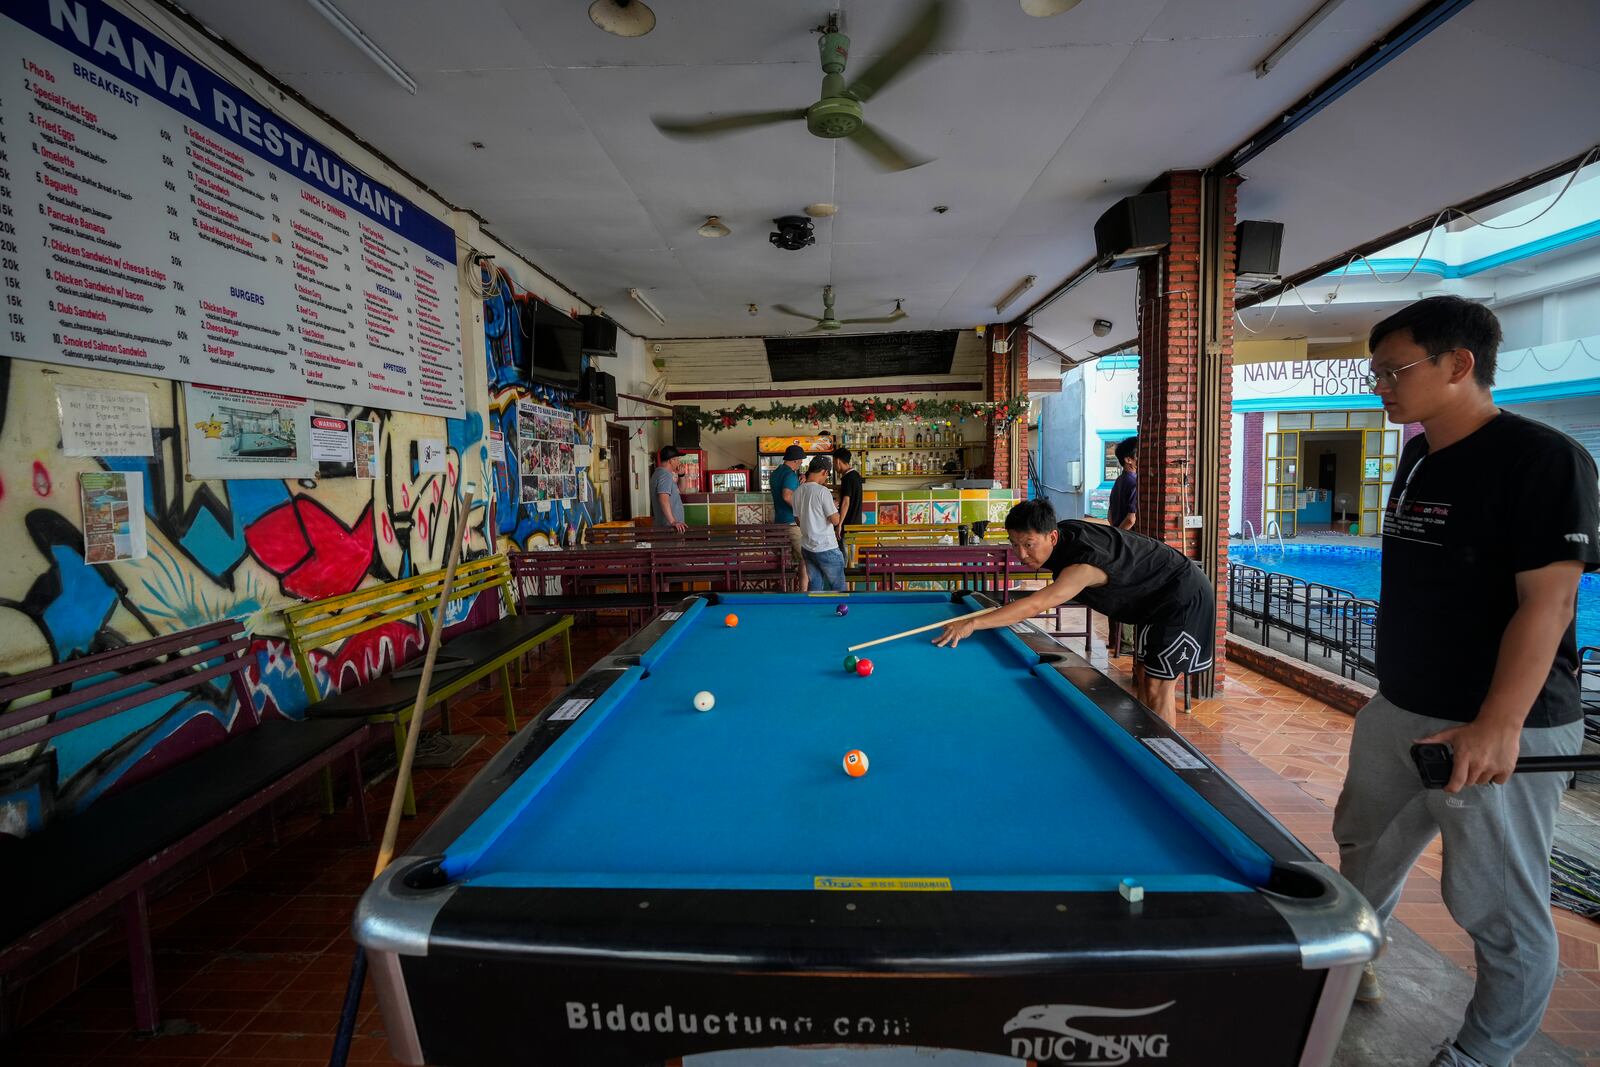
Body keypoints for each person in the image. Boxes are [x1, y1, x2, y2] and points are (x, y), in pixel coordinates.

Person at [1331, 296, 1598, 1067]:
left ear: (1459, 364)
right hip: (1401, 706)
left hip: (1492, 724)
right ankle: (1351, 963)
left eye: (1394, 369)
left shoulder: (1543, 458)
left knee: (1495, 904)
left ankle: (1483, 1052)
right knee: (1364, 852)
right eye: (1375, 370)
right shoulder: (1420, 454)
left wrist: (1497, 725)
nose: (1380, 383)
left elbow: (1548, 603)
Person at [934, 499, 1212, 718]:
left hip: (1181, 597)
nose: (1021, 554)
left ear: (1052, 537)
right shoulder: (1065, 533)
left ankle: (1165, 765)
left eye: (1029, 545)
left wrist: (972, 623)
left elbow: (1037, 603)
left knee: (1157, 687)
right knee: (1142, 679)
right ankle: (1146, 746)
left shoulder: (1083, 565)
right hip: (1153, 602)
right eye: (1015, 544)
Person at [794, 455, 846, 590]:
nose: (825, 479)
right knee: (839, 588)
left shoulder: (798, 491)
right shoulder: (823, 492)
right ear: (824, 472)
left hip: (807, 548)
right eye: (826, 475)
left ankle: (813, 611)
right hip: (826, 547)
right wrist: (833, 508)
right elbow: (835, 520)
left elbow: (798, 521)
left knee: (815, 587)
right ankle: (842, 610)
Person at [771, 444, 807, 591]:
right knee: (806, 558)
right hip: (791, 524)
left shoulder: (776, 473)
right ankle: (803, 593)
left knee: (788, 562)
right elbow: (787, 496)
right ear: (796, 460)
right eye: (801, 461)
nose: (802, 463)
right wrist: (801, 510)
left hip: (778, 523)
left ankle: (788, 591)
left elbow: (785, 491)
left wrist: (797, 484)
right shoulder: (790, 474)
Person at [651, 445, 687, 531]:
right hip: (670, 528)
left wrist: (681, 475)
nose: (679, 462)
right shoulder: (665, 475)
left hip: (669, 526)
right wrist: (673, 522)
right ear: (671, 460)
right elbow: (663, 499)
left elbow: (681, 490)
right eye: (677, 459)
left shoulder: (659, 473)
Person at [1108, 436, 1138, 530]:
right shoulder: (1135, 483)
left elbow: (1110, 515)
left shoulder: (1119, 481)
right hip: (1128, 539)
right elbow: (1130, 519)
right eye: (1138, 454)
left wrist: (1115, 533)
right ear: (1128, 460)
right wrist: (1119, 537)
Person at [834, 448, 864, 540]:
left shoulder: (847, 478)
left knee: (846, 553)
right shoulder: (855, 475)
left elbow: (846, 503)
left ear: (838, 461)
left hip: (847, 524)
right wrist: (827, 486)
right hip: (855, 522)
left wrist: (840, 524)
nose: (834, 466)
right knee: (849, 552)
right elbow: (846, 490)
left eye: (834, 462)